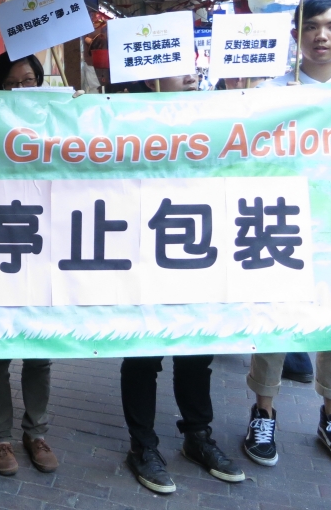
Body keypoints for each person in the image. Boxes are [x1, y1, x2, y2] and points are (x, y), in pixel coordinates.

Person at [243, 0, 331, 472]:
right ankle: (262, 413)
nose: (321, 36)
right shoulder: (273, 93)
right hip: (282, 225)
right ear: (296, 35)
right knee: (274, 322)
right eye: (311, 26)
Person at [118, 70, 245, 494]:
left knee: (196, 351)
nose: (191, 73)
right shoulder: (120, 120)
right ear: (149, 76)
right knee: (142, 355)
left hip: (198, 251)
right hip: (143, 256)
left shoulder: (214, 117)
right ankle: (143, 447)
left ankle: (198, 437)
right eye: (177, 65)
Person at [0, 52, 58, 475]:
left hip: (45, 249)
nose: (23, 90)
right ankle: (1, 440)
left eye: (30, 80)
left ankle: (36, 431)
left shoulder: (60, 123)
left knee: (39, 351)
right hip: (0, 244)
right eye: (12, 83)